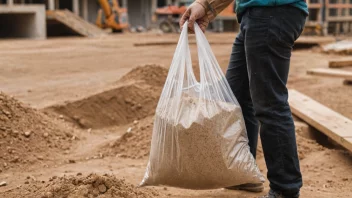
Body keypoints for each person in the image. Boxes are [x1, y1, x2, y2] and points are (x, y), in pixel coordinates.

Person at [180, 0, 308, 198]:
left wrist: (205, 4)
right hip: (259, 13)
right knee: (236, 97)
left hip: (271, 12)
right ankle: (244, 173)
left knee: (269, 103)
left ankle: (285, 187)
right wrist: (208, 7)